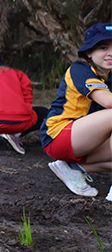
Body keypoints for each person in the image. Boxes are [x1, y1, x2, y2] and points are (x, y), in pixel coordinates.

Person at [41, 23, 112, 200]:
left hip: (87, 140)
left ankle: (74, 170)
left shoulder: (109, 77)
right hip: (58, 135)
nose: (110, 53)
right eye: (103, 47)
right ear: (89, 52)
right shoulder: (80, 69)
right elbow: (108, 102)